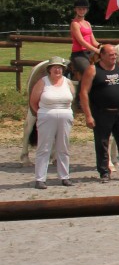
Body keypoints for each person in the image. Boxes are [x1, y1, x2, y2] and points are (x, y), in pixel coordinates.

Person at [79, 44, 119, 182]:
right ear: (102, 55)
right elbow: (84, 92)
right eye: (110, 55)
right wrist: (88, 115)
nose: (114, 57)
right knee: (102, 143)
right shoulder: (93, 70)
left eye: (115, 54)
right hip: (102, 112)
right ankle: (104, 172)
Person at [29, 56, 75, 188]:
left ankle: (64, 176)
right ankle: (40, 178)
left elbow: (71, 98)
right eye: (55, 67)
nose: (57, 70)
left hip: (65, 115)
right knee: (44, 147)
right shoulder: (43, 82)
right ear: (49, 69)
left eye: (60, 67)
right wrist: (42, 114)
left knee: (63, 147)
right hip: (46, 115)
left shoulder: (68, 82)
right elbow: (33, 101)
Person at [69, 0, 99, 78]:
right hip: (79, 54)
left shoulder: (88, 23)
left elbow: (93, 41)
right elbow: (81, 41)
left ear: (87, 10)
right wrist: (96, 50)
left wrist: (102, 47)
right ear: (75, 9)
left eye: (84, 9)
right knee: (88, 72)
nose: (82, 11)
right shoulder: (75, 24)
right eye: (79, 9)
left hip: (90, 52)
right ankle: (83, 90)